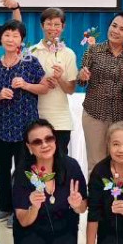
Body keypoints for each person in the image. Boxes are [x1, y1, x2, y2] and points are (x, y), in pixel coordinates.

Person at [0, 20, 49, 222]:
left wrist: (25, 85)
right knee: (1, 170)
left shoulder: (30, 61)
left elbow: (45, 88)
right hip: (2, 127)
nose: (10, 39)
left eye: (15, 35)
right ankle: (5, 208)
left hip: (26, 128)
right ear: (1, 38)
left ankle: (21, 209)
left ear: (22, 40)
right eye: (7, 35)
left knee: (25, 170)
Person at [12, 119, 87, 244]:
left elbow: (83, 207)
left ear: (55, 140)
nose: (44, 145)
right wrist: (34, 207)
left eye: (49, 139)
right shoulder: (23, 172)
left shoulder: (71, 166)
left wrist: (76, 205)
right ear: (29, 147)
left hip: (63, 226)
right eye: (37, 142)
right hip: (32, 228)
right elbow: (23, 220)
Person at [79, 11, 123, 172]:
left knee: (120, 160)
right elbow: (81, 80)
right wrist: (82, 75)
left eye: (122, 29)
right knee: (96, 163)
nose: (116, 31)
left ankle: (119, 189)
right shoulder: (93, 50)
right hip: (94, 114)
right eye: (114, 26)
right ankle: (96, 190)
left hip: (121, 116)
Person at [29, 8, 78, 147]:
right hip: (35, 117)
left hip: (60, 121)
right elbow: (25, 84)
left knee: (60, 158)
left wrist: (60, 79)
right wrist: (42, 84)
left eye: (57, 24)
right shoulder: (31, 52)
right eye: (49, 24)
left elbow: (70, 90)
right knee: (36, 158)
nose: (53, 28)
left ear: (63, 27)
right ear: (42, 25)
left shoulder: (68, 54)